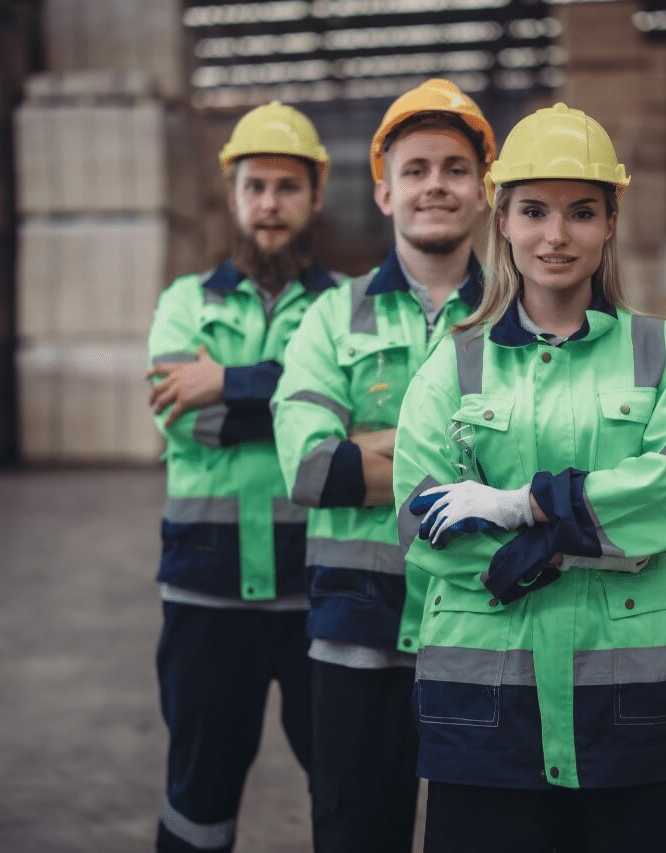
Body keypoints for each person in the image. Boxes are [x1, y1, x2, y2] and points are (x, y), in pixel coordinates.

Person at [392, 102, 666, 853]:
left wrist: (517, 505)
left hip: (633, 713)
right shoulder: (457, 361)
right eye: (534, 210)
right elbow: (422, 523)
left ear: (610, 224)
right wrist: (604, 538)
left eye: (582, 212)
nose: (556, 235)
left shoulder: (661, 352)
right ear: (501, 220)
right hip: (486, 714)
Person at [270, 79, 496, 853]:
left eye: (456, 167)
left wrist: (374, 446)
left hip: (487, 631)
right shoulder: (332, 315)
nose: (436, 183)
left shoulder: (520, 316)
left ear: (484, 189)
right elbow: (309, 469)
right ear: (385, 190)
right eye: (417, 167)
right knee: (354, 835)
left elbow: (541, 467)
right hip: (356, 630)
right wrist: (466, 470)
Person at [145, 102, 340, 852]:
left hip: (317, 593)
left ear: (316, 195)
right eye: (255, 185)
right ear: (232, 195)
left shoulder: (344, 308)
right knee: (198, 789)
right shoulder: (183, 302)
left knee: (344, 783)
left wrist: (225, 380)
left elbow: (349, 423)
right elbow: (181, 416)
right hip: (206, 593)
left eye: (287, 186)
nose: (269, 204)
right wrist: (296, 401)